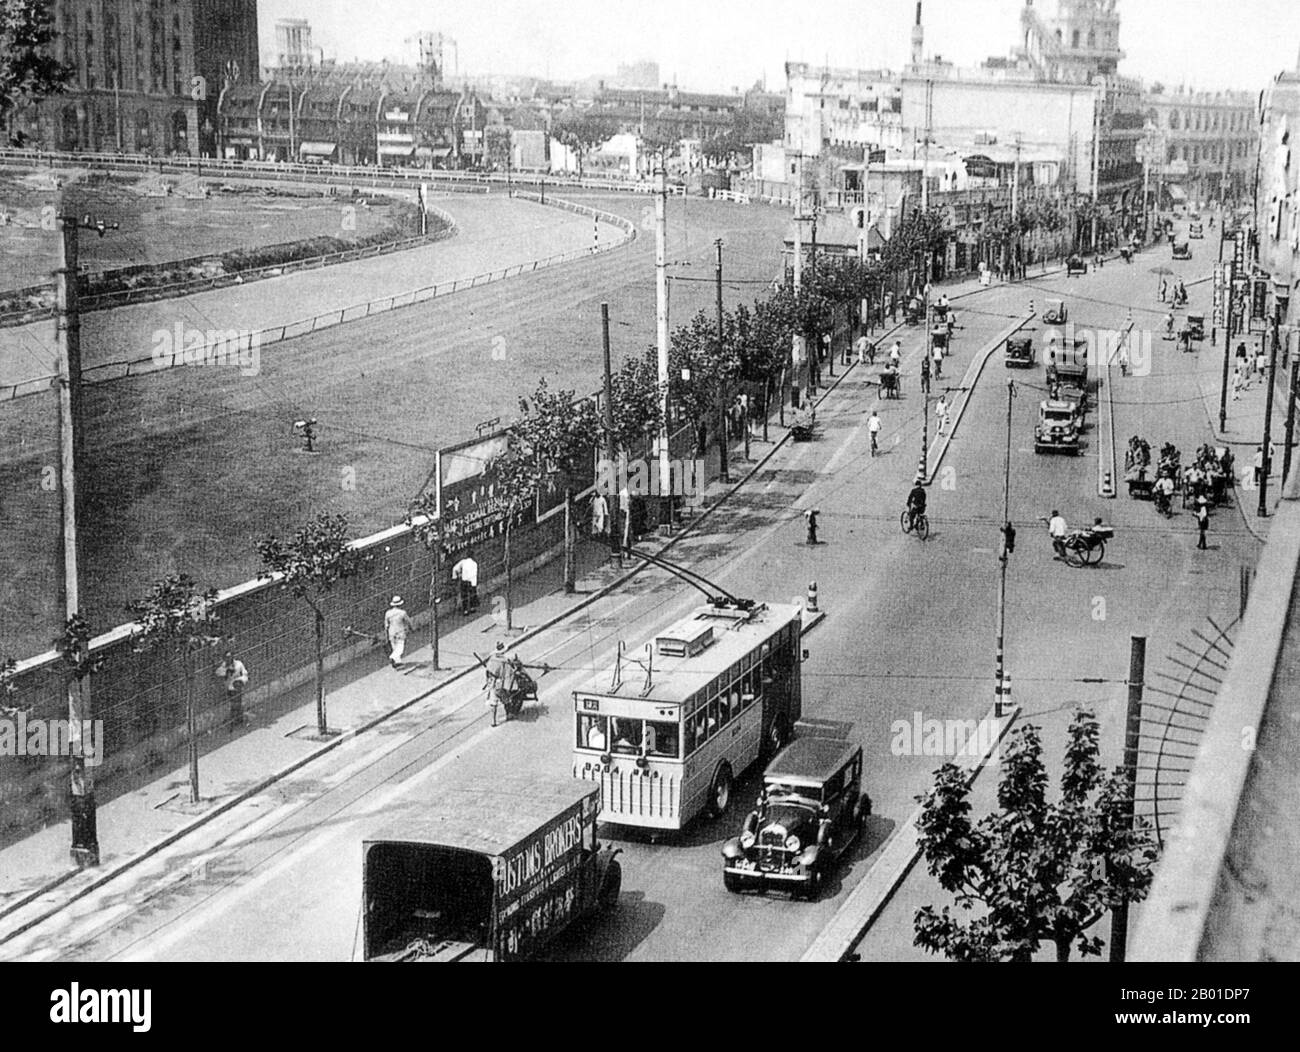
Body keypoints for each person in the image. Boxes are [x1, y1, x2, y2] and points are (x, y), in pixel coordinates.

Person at [215, 650, 250, 728]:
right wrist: (226, 672)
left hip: (237, 686)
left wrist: (241, 680)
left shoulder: (239, 664)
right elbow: (218, 673)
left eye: (230, 657)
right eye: (226, 658)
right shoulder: (223, 666)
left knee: (237, 703)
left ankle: (238, 719)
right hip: (229, 688)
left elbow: (245, 674)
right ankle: (235, 719)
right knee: (234, 704)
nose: (228, 659)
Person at [484, 641, 514, 727]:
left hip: (492, 683)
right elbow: (509, 673)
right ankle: (508, 715)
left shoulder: (491, 659)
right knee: (506, 700)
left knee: (493, 703)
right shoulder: (505, 661)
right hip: (501, 684)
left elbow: (487, 672)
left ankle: (493, 721)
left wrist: (489, 681)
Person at [384, 596, 413, 669]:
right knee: (400, 647)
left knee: (394, 647)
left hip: (391, 632)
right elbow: (408, 622)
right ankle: (394, 659)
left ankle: (397, 662)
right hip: (400, 632)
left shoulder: (388, 613)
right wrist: (411, 628)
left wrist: (386, 635)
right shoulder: (402, 613)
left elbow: (386, 625)